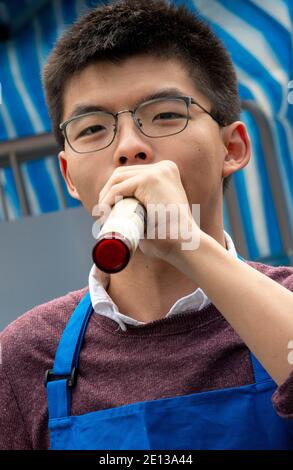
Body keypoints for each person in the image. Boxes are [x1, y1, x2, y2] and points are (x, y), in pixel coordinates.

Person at [0, 0, 293, 451]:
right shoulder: (25, 353)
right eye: (93, 128)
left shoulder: (284, 300)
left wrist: (187, 244)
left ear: (232, 147)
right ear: (68, 176)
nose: (130, 147)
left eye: (166, 115)